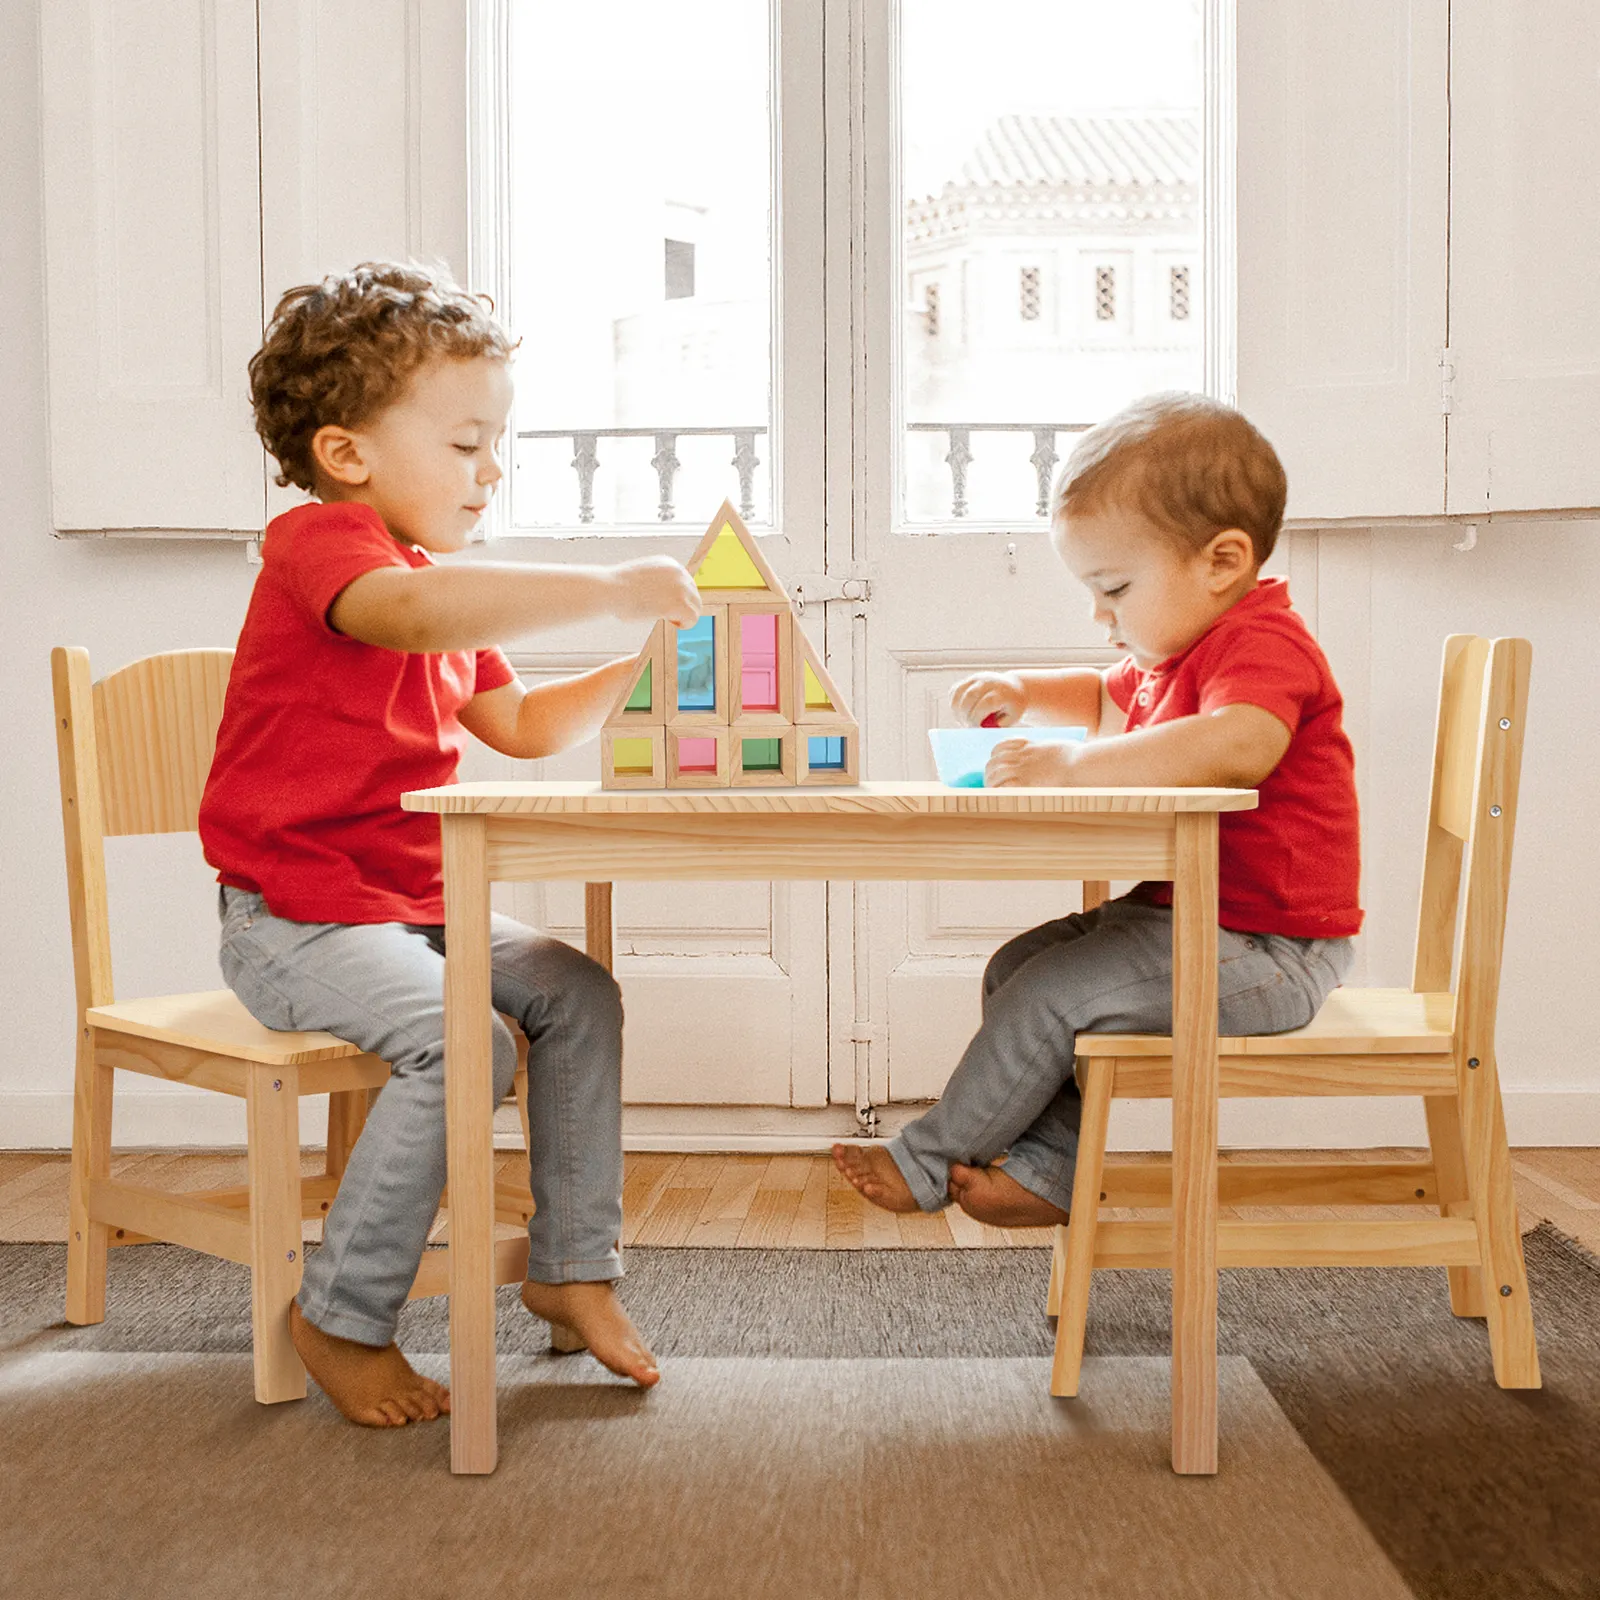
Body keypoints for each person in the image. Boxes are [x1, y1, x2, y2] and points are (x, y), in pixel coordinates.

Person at [200, 261, 700, 1426]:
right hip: (297, 917)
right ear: (348, 453)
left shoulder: (438, 588)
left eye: (497, 445)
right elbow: (409, 617)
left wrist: (639, 672)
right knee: (459, 1039)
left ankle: (571, 1267)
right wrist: (612, 589)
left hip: (412, 906)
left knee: (576, 992)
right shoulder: (321, 549)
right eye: (468, 444)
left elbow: (519, 726)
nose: (493, 471)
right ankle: (339, 1311)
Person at [833, 392, 1361, 1227]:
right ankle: (1049, 1172)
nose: (1100, 615)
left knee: (1051, 996)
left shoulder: (1263, 647)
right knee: (1017, 970)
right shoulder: (1180, 652)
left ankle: (929, 1159)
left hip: (1271, 950)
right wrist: (1024, 691)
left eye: (1113, 588)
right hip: (1189, 921)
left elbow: (1238, 743)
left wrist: (1070, 765)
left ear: (1222, 563)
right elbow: (1098, 688)